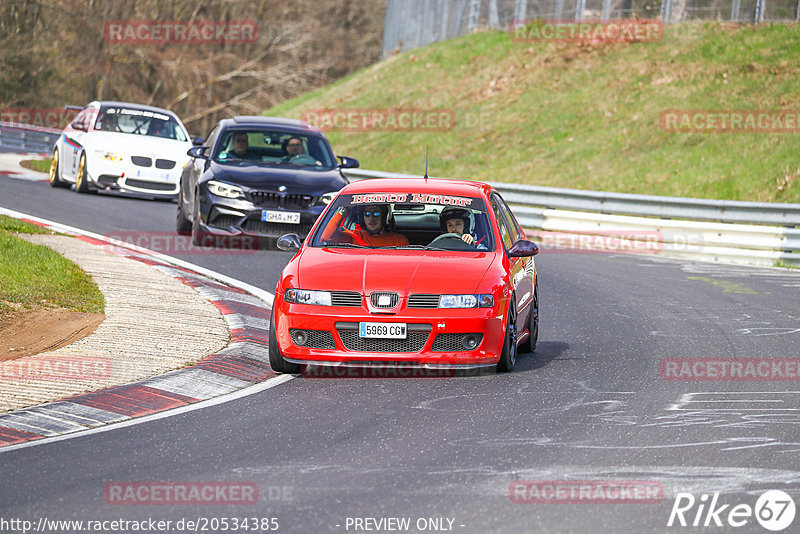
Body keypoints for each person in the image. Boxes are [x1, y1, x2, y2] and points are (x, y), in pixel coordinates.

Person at [322, 204, 409, 247]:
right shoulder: (354, 236)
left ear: (384, 217)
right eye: (367, 214)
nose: (371, 218)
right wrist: (344, 209)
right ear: (362, 218)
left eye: (376, 214)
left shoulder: (398, 241)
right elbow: (327, 237)